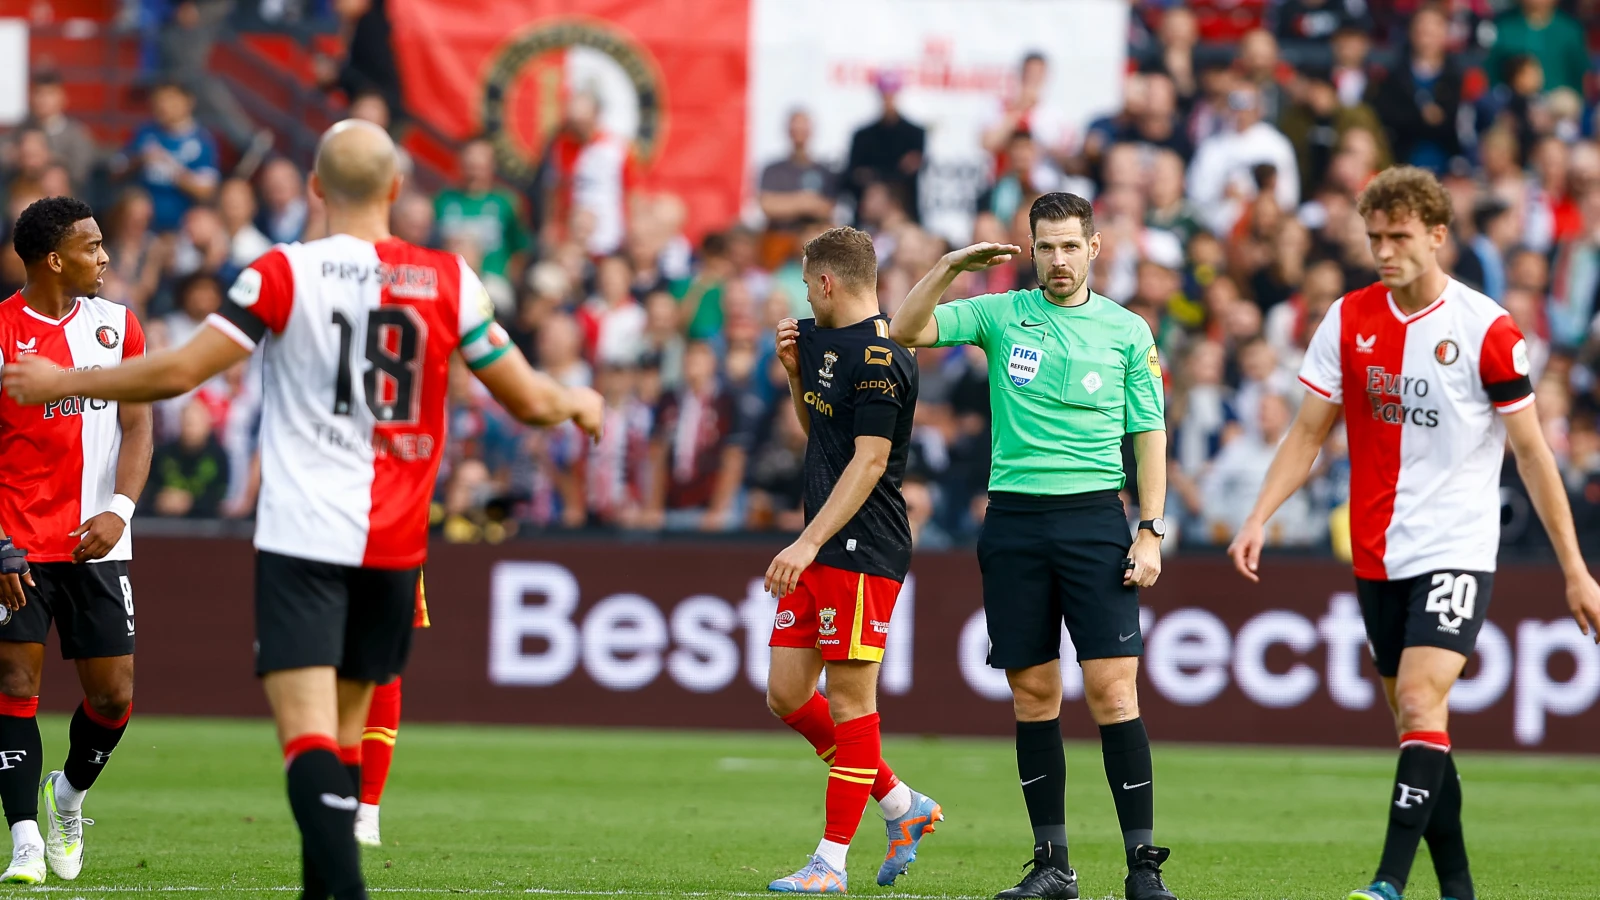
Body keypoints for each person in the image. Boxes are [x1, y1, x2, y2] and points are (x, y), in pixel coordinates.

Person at [1, 121, 604, 900]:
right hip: (394, 542)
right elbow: (527, 398)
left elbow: (183, 370)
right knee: (348, 736)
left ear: (316, 190)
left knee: (309, 739)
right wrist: (577, 401)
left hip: (301, 537)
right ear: (395, 191)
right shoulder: (449, 279)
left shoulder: (279, 275)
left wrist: (59, 385)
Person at [1226, 166, 1600, 900]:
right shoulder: (1348, 318)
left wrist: (1575, 570)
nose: (1385, 251)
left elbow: (1531, 454)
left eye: (1399, 237)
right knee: (1417, 729)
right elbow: (1307, 435)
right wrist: (1258, 516)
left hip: (1457, 544)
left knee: (1424, 706)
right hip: (1375, 549)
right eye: (1375, 238)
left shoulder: (1486, 330)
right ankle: (1457, 889)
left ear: (1437, 234)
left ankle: (1387, 884)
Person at [888, 192, 1175, 900]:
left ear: (1094, 247)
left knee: (1112, 690)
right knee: (1033, 691)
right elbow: (905, 328)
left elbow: (1149, 432)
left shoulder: (1128, 330)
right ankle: (1053, 865)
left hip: (1093, 520)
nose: (1057, 260)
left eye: (1070, 246)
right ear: (1032, 248)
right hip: (1014, 520)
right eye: (1045, 246)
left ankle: (1143, 869)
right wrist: (952, 265)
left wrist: (1151, 527)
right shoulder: (1000, 313)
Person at [761, 227, 938, 894]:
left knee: (849, 700)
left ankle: (830, 864)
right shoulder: (816, 341)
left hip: (864, 545)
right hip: (822, 541)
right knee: (785, 694)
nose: (805, 293)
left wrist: (806, 542)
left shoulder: (883, 356)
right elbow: (827, 438)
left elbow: (869, 462)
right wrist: (792, 376)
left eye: (808, 282)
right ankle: (901, 805)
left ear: (829, 281)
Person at [0, 196, 152, 883]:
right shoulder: (1, 331)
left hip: (97, 542)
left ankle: (67, 797)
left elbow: (139, 428)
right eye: (93, 247)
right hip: (17, 544)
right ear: (54, 260)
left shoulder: (118, 328)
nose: (106, 257)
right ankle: (25, 840)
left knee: (114, 697)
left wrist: (119, 509)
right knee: (13, 681)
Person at [113, 82, 219, 234]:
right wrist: (139, 160)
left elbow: (206, 190)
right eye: (159, 99)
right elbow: (116, 171)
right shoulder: (145, 132)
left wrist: (172, 169)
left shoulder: (202, 140)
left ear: (188, 101)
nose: (163, 105)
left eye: (170, 99)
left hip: (183, 228)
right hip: (143, 226)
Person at [759, 110, 838, 233]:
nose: (799, 132)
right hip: (780, 238)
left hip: (813, 238)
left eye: (803, 128)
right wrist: (805, 202)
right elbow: (768, 206)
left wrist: (786, 204)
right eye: (795, 128)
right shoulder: (773, 170)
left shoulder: (824, 171)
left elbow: (827, 208)